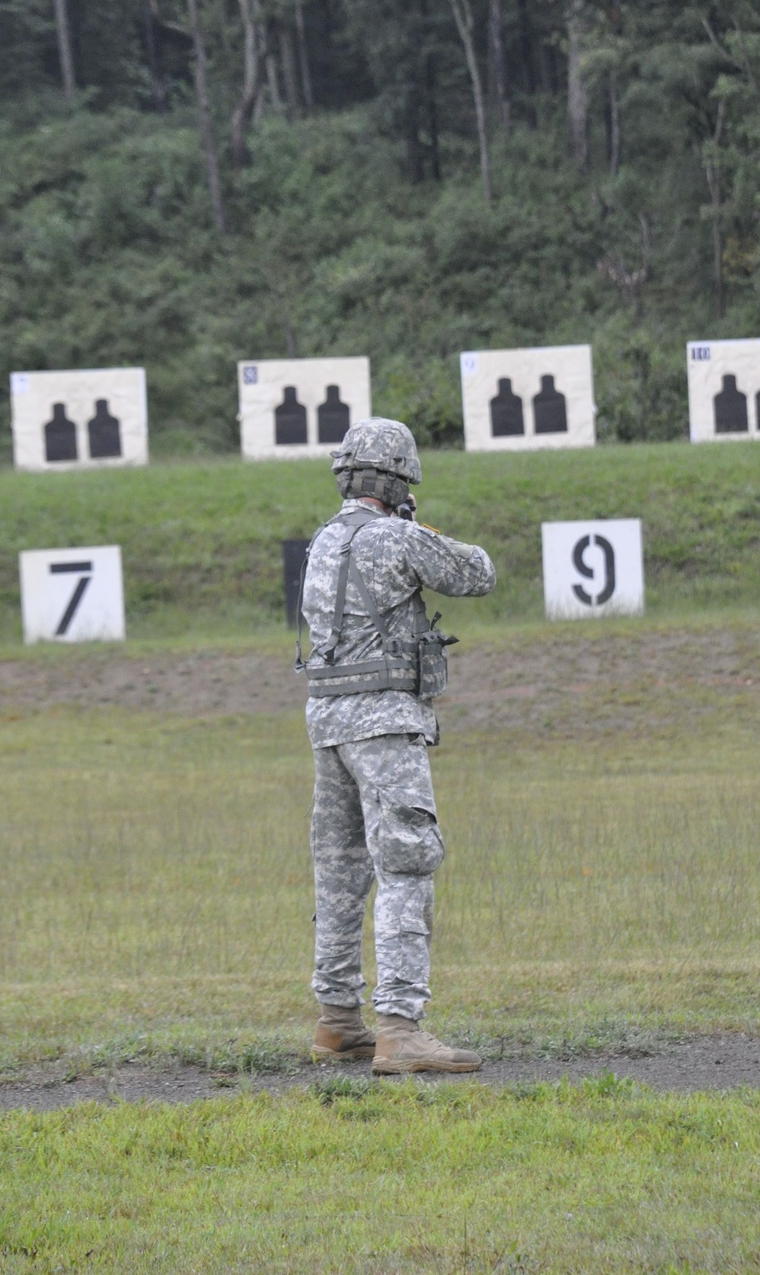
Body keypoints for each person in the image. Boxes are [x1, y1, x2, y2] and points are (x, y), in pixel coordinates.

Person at [298, 417, 496, 1073]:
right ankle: (401, 1025)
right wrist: (419, 526)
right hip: (383, 721)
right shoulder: (397, 537)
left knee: (340, 870)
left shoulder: (324, 541)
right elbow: (478, 573)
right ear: (395, 481)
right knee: (406, 864)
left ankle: (337, 1021)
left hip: (327, 721)